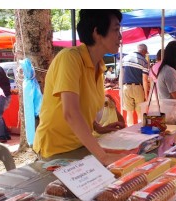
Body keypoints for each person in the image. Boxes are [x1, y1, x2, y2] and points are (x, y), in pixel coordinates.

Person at [33, 10, 123, 166]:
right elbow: (70, 112)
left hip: (81, 146)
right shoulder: (70, 58)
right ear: (97, 32)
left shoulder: (99, 66)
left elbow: (83, 106)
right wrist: (104, 158)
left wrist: (98, 128)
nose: (120, 36)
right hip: (55, 151)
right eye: (116, 29)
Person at [121, 43, 149, 127]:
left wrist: (120, 88)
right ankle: (140, 133)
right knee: (140, 113)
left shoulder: (125, 58)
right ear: (144, 51)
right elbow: (144, 79)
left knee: (129, 113)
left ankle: (130, 133)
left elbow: (121, 75)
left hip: (125, 87)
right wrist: (146, 95)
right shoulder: (144, 61)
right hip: (138, 88)